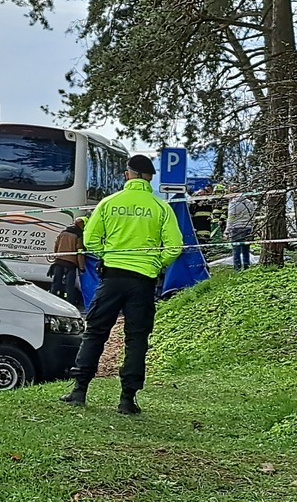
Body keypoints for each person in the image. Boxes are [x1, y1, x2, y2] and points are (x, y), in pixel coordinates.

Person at [61, 154, 184, 415]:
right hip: (143, 281)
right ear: (149, 177)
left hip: (112, 277)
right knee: (136, 339)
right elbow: (175, 246)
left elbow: (90, 240)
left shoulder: (109, 203)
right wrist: (156, 263)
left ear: (128, 174)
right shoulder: (160, 207)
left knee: (95, 333)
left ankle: (79, 391)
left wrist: (107, 255)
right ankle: (127, 399)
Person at [48, 218, 86, 303]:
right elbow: (80, 252)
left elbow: (56, 245)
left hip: (59, 262)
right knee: (70, 286)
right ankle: (70, 303)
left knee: (55, 284)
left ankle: (50, 302)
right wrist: (81, 267)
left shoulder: (63, 233)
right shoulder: (78, 236)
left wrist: (57, 256)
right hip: (70, 264)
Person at [226, 188, 257, 272]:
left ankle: (237, 269)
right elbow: (253, 216)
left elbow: (231, 218)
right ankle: (247, 267)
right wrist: (251, 226)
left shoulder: (233, 203)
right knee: (246, 250)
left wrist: (227, 230)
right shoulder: (249, 203)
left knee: (236, 250)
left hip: (236, 228)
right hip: (248, 228)